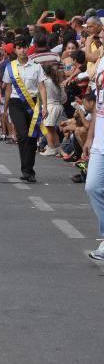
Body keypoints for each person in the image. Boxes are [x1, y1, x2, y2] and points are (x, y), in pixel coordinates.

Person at [2, 36, 48, 183]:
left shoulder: (36, 66)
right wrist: (5, 107)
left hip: (33, 103)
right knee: (22, 135)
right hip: (16, 103)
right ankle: (25, 168)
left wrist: (44, 106)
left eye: (24, 47)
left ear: (29, 48)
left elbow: (41, 87)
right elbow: (8, 88)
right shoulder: (10, 67)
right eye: (19, 47)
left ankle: (29, 170)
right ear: (15, 50)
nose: (22, 50)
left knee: (32, 136)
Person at [82, 36, 104, 261]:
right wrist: (89, 137)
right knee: (93, 187)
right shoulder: (101, 64)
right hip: (100, 141)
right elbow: (99, 106)